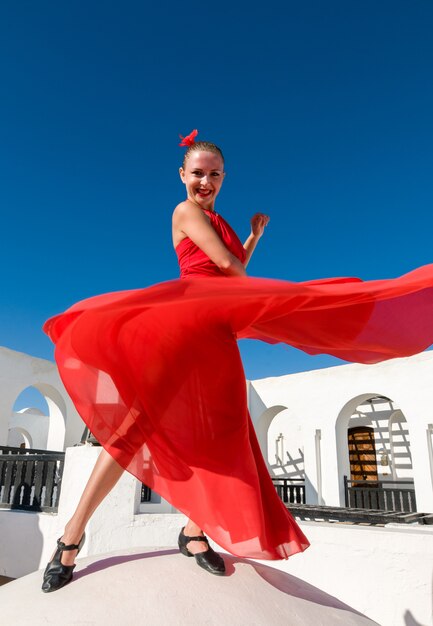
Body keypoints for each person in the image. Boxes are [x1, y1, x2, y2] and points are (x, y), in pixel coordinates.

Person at [42, 130, 433, 593]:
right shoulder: (184, 211)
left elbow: (231, 273)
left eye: (214, 174)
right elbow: (231, 271)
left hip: (216, 334)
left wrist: (250, 237)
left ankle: (193, 531)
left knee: (223, 431)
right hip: (180, 329)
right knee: (130, 432)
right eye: (197, 173)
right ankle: (71, 538)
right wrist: (239, 256)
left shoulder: (218, 220)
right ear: (182, 175)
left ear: (223, 178)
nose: (204, 181)